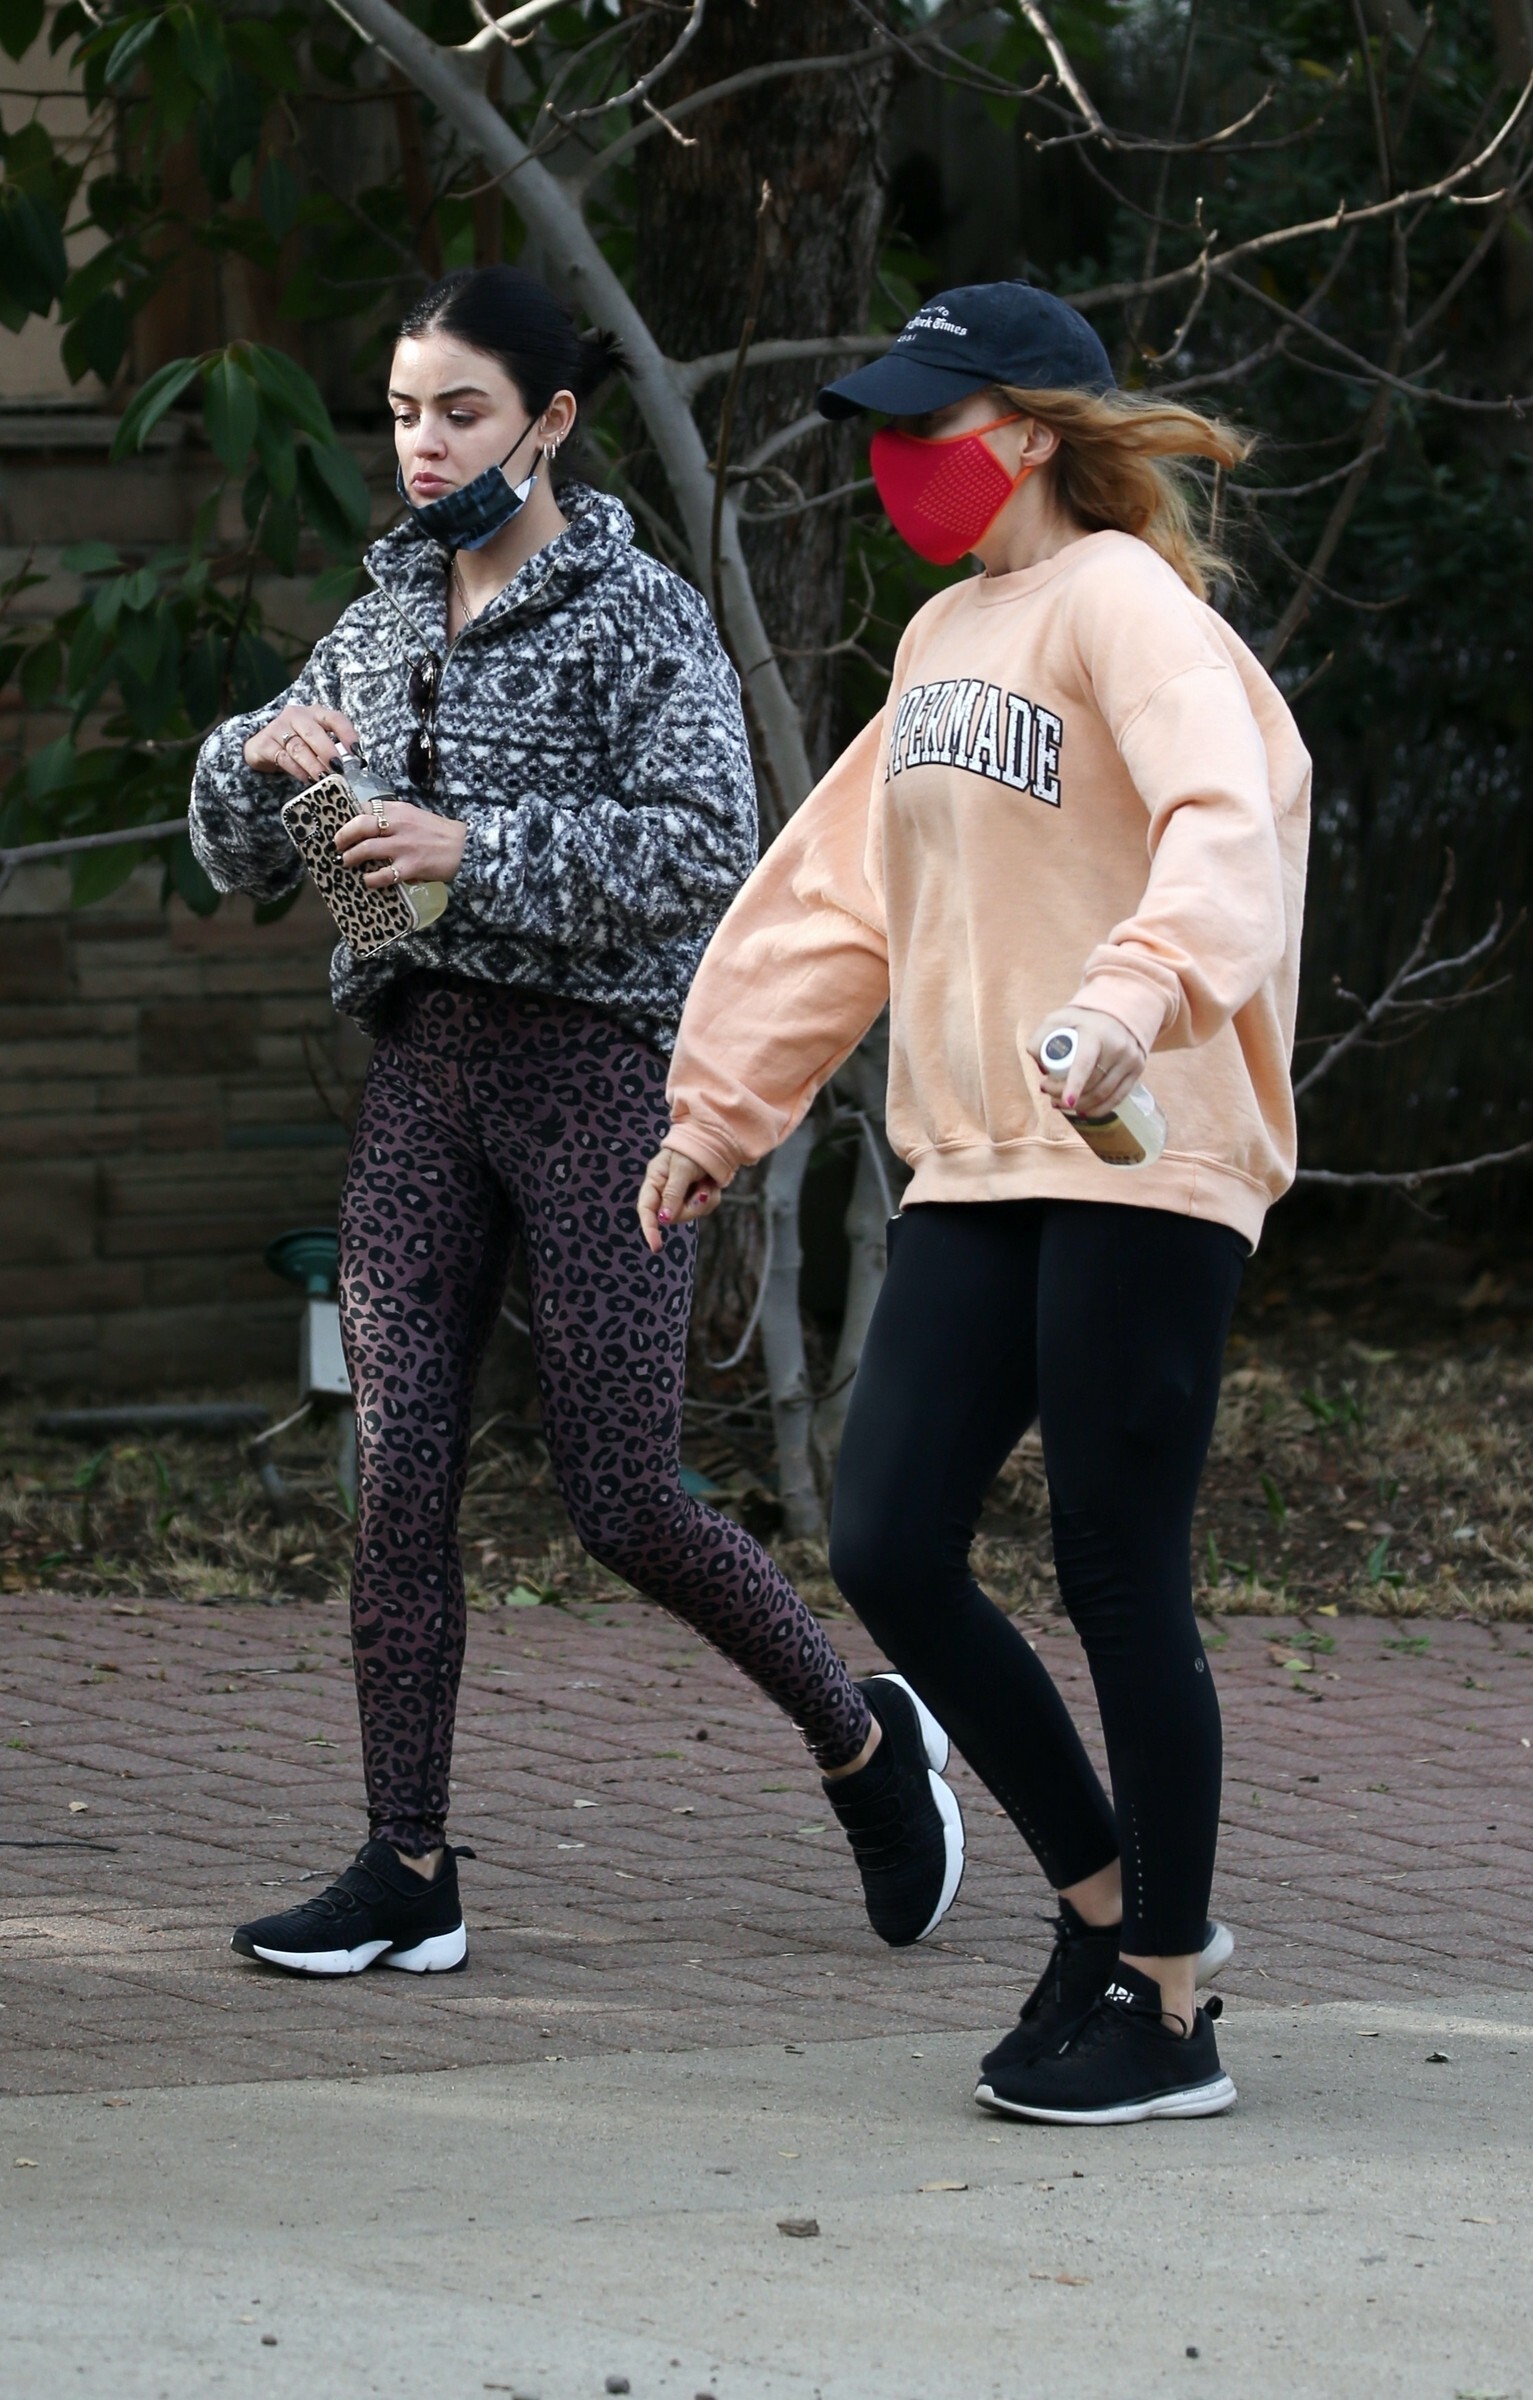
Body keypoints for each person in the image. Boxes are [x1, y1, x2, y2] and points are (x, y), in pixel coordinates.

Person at [189, 265, 964, 1978]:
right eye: (404, 411)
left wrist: (473, 852)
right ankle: (407, 1865)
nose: (422, 443)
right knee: (398, 1476)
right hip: (423, 1075)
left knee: (621, 1498)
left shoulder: (639, 613)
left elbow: (705, 849)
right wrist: (253, 756)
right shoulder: (384, 614)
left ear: (546, 422)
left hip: (604, 1081)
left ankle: (865, 1742)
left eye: (459, 411)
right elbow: (236, 855)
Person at [639, 281, 1311, 2124]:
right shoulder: (943, 634)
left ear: (1024, 430)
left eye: (924, 423)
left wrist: (1132, 997)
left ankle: (1168, 2011)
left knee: (1116, 1565)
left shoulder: (1123, 602)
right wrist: (721, 1111)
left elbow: (1228, 817)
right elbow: (837, 898)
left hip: (1143, 1147)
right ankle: (1104, 1907)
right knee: (886, 1538)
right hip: (978, 1150)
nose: (894, 458)